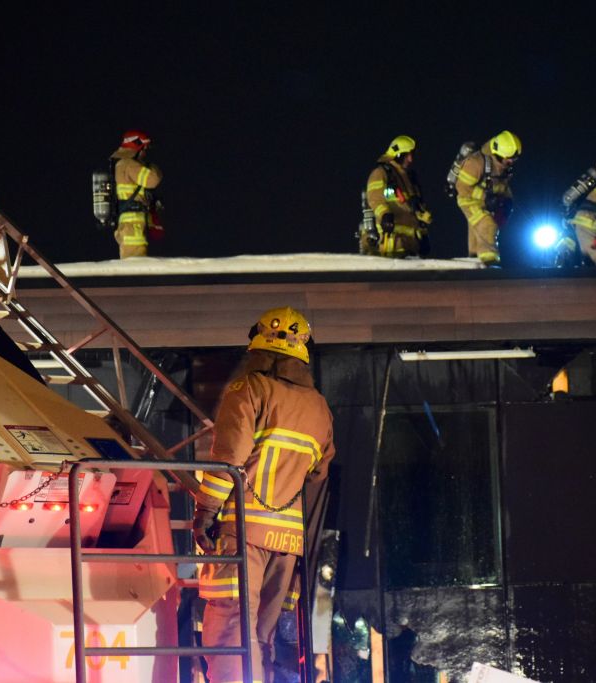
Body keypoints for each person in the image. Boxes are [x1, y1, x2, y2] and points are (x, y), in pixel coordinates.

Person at [194, 306, 336, 683]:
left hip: (242, 534)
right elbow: (318, 477)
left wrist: (205, 513)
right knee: (261, 636)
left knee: (230, 630)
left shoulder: (250, 389)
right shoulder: (320, 408)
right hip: (287, 543)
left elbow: (229, 459)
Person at [453, 130, 521, 265]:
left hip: (487, 203)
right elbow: (461, 187)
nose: (511, 161)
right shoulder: (476, 163)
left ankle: (474, 261)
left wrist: (508, 200)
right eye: (509, 158)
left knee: (478, 233)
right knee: (487, 224)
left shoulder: (502, 167)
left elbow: (502, 186)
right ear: (498, 154)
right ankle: (489, 261)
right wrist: (486, 197)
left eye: (514, 158)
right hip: (469, 201)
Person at [361, 135, 432, 258]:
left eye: (412, 155)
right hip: (391, 242)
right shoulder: (380, 173)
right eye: (407, 155)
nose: (410, 159)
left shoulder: (409, 178)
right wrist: (384, 215)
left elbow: (416, 209)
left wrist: (424, 233)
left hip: (412, 244)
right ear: (398, 155)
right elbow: (375, 199)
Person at [110, 130, 162, 258]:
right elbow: (153, 179)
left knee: (136, 262)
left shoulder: (123, 164)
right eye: (144, 149)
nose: (145, 153)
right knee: (135, 265)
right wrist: (151, 166)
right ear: (137, 147)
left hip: (131, 223)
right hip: (132, 226)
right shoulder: (128, 164)